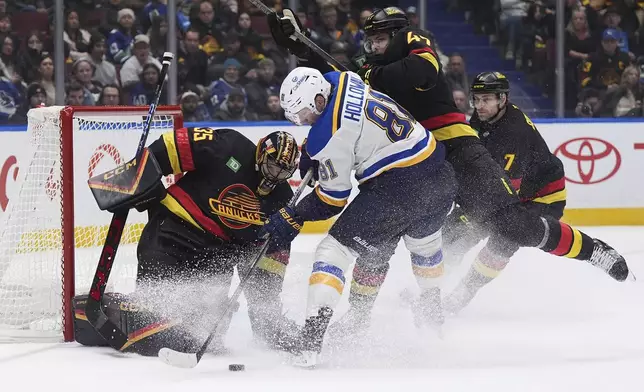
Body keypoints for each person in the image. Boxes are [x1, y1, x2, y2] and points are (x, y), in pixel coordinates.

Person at [267, 6, 632, 334]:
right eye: (371, 41)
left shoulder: (414, 44)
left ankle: (595, 251)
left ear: (397, 35)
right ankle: (367, 318)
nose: (373, 47)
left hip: (456, 150)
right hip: (409, 167)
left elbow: (421, 68)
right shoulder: (372, 69)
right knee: (380, 241)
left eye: (380, 40)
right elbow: (334, 88)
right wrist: (301, 47)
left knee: (512, 225)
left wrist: (369, 74)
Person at [261, 67, 457, 368]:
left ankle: (311, 339)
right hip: (440, 174)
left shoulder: (329, 135)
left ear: (316, 99)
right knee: (419, 245)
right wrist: (317, 154)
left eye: (303, 114)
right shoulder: (343, 79)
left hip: (399, 187)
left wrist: (294, 215)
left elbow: (332, 199)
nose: (304, 122)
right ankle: (431, 310)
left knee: (333, 250)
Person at [73, 128, 301, 356]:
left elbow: (272, 256)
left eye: (284, 172)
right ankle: (108, 310)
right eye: (273, 166)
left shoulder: (282, 199)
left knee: (203, 337)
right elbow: (173, 146)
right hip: (172, 235)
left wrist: (266, 316)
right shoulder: (229, 146)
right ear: (262, 154)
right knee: (156, 322)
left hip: (217, 258)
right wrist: (139, 178)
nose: (275, 176)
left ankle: (123, 313)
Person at [441, 72, 565, 314]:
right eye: (476, 99)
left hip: (543, 198)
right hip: (506, 191)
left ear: (503, 99)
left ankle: (463, 293)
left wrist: (472, 213)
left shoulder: (513, 133)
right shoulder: (483, 117)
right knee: (451, 231)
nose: (479, 105)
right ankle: (432, 285)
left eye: (486, 99)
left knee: (504, 237)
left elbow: (505, 191)